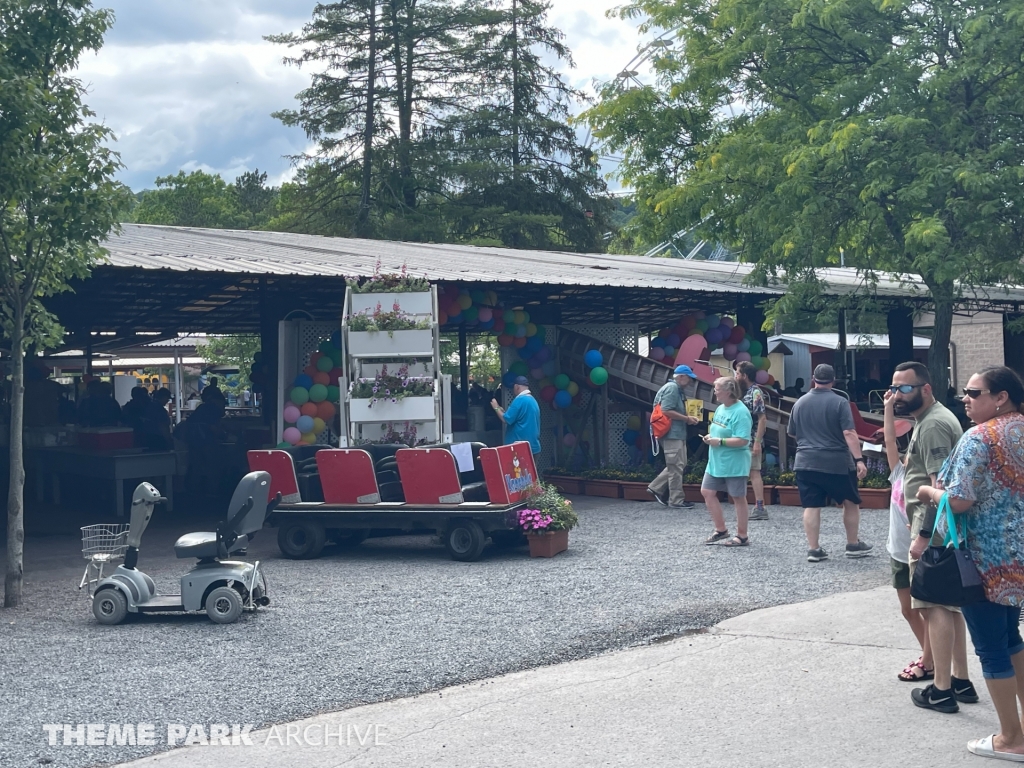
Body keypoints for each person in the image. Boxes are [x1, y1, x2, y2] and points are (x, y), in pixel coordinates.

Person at [917, 367, 1024, 760]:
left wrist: (927, 492)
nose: (965, 397)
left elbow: (959, 500)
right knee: (1011, 639)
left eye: (974, 392)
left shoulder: (980, 436)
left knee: (992, 648)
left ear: (1001, 397)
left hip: (980, 561)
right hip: (1016, 555)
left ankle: (1011, 739)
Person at [885, 362, 976, 711]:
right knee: (950, 607)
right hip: (938, 529)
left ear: (926, 389)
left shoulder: (935, 424)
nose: (897, 394)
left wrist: (923, 535)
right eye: (894, 388)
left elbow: (941, 488)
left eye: (905, 388)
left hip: (933, 531)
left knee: (934, 606)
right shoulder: (928, 420)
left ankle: (941, 690)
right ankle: (961, 680)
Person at [787, 363, 872, 562]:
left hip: (805, 461)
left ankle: (814, 549)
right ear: (833, 381)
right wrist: (859, 459)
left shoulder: (799, 403)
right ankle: (853, 544)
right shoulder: (840, 402)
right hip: (837, 462)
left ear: (813, 379)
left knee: (811, 505)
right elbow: (849, 432)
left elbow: (792, 432)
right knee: (850, 502)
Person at [700, 377, 753, 547]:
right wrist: (711, 437)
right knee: (707, 491)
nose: (714, 392)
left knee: (738, 497)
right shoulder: (720, 408)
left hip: (734, 462)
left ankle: (742, 536)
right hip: (716, 461)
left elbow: (743, 440)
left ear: (728, 391)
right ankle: (721, 529)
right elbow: (718, 431)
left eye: (717, 389)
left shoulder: (741, 412)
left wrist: (720, 442)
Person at [646, 365, 701, 509]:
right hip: (671, 434)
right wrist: (687, 419)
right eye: (689, 378)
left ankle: (656, 487)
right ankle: (676, 500)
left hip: (674, 433)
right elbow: (666, 410)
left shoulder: (674, 388)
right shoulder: (672, 388)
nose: (690, 382)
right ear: (681, 376)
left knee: (678, 464)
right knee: (676, 466)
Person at [734, 361, 768, 520]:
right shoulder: (741, 391)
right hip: (739, 438)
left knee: (754, 471)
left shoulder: (755, 392)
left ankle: (760, 507)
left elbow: (762, 418)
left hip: (751, 438)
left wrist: (757, 441)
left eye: (737, 373)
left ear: (745, 376)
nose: (735, 376)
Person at [491, 375, 540, 455]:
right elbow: (521, 418)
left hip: (519, 449)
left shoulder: (519, 400)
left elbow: (506, 419)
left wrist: (496, 407)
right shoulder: (533, 400)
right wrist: (503, 411)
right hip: (533, 447)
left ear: (517, 387)